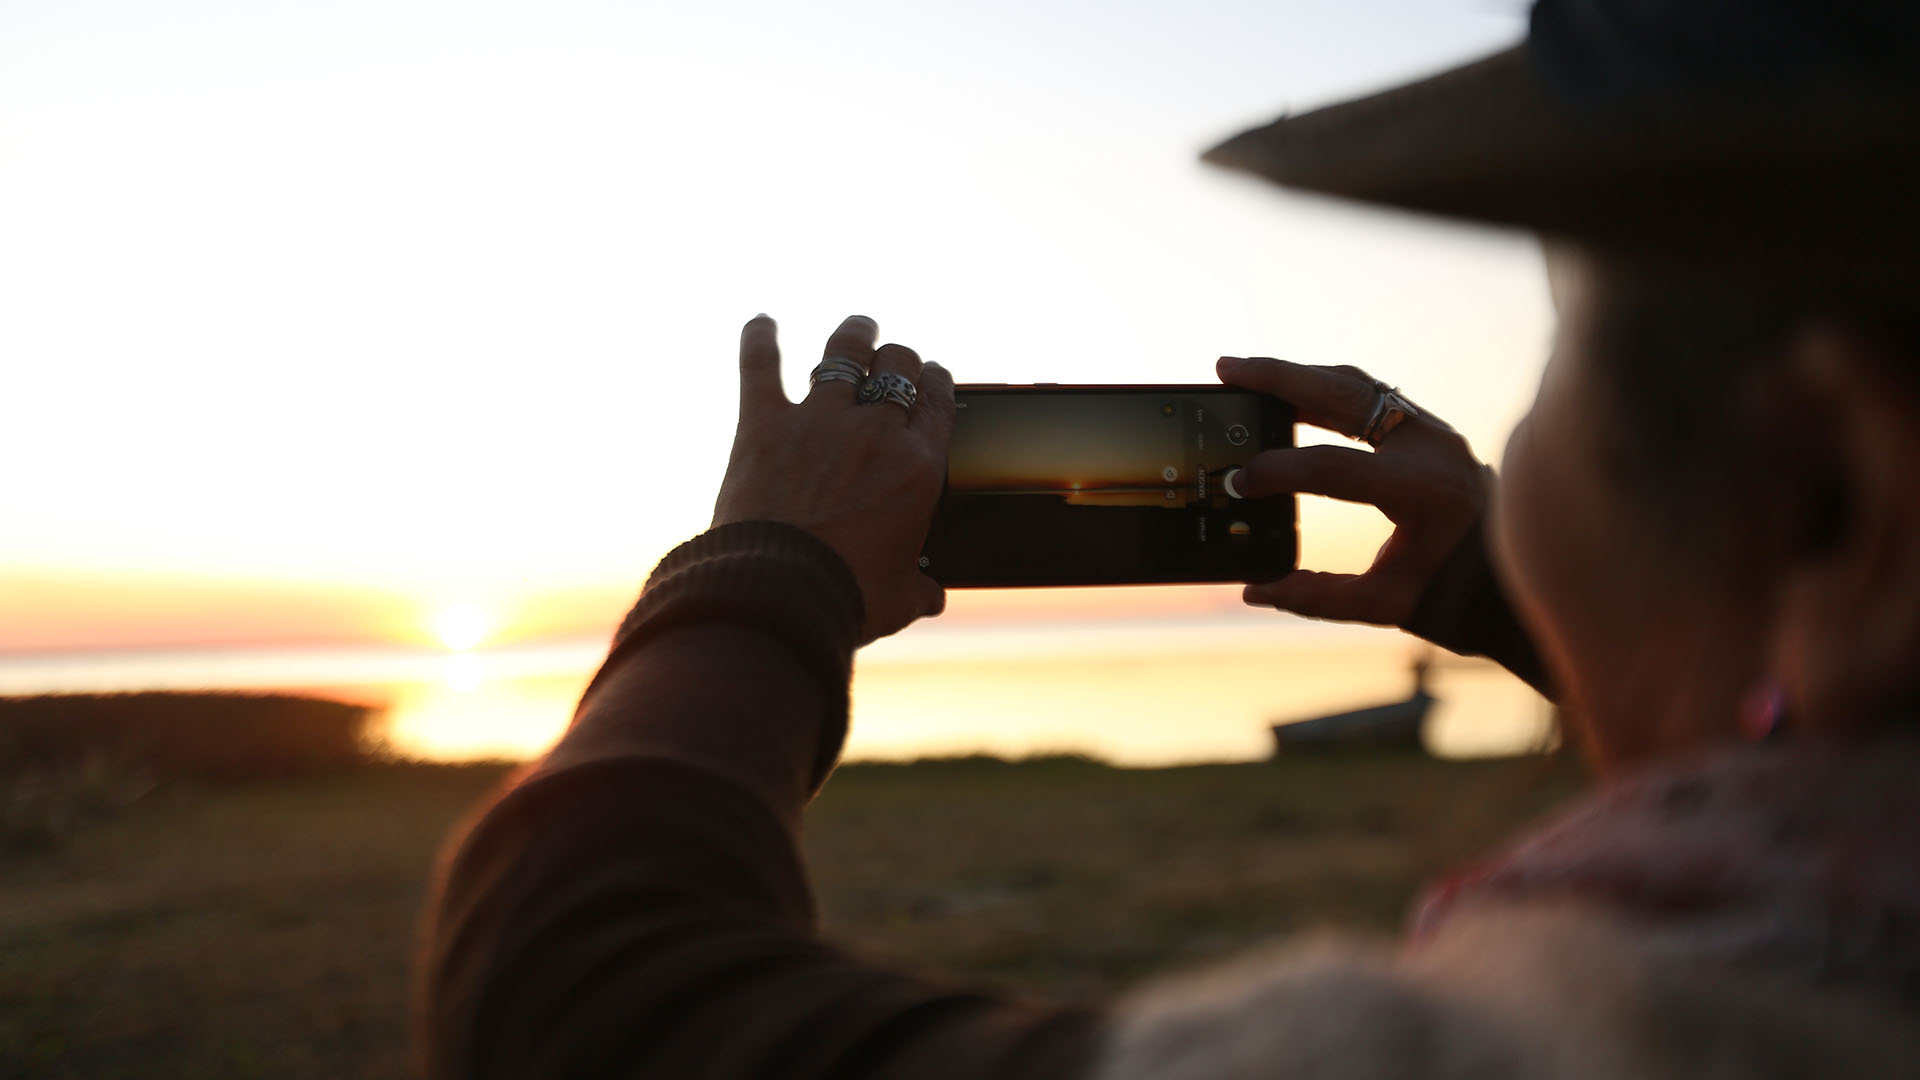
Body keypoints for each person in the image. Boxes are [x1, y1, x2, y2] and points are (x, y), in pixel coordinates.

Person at [418, 0, 1920, 1075]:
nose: (1512, 457)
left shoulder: (1627, 1039)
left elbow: (570, 994)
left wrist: (768, 563)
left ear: (1831, 493)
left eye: (1559, 348)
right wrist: (1502, 586)